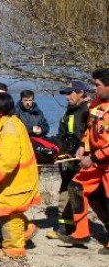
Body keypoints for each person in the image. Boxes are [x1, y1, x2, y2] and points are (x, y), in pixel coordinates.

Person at [0, 93, 41, 258]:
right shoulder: (2, 123)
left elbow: (8, 160)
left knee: (9, 213)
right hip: (10, 179)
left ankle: (14, 249)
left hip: (15, 180)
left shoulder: (9, 128)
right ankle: (26, 229)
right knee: (7, 210)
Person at [58, 68, 109, 254]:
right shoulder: (95, 104)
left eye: (97, 85)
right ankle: (80, 233)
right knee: (76, 187)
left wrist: (93, 157)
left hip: (103, 160)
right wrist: (83, 146)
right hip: (95, 160)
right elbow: (89, 130)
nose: (94, 89)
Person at [45, 81, 90, 239]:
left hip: (84, 160)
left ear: (81, 93)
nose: (67, 97)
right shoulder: (69, 112)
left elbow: (92, 136)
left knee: (83, 193)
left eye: (70, 93)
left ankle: (80, 230)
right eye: (66, 93)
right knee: (65, 189)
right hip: (68, 158)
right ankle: (65, 228)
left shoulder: (89, 111)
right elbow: (62, 135)